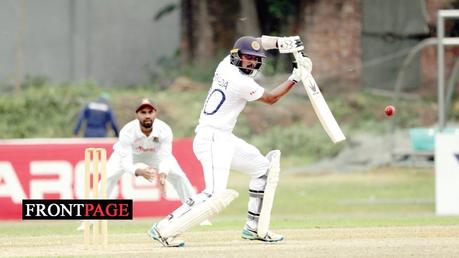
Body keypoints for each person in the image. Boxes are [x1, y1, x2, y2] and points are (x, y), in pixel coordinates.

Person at [147, 35, 308, 247]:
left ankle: (254, 228)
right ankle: (163, 228)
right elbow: (271, 99)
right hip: (212, 139)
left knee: (263, 169)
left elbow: (258, 41)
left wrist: (281, 43)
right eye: (247, 58)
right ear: (237, 56)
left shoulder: (225, 64)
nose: (251, 62)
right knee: (214, 195)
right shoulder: (239, 81)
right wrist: (296, 77)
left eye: (255, 58)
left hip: (222, 138)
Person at [78, 97, 206, 230]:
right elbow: (125, 162)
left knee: (179, 176)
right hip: (129, 155)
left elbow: (165, 156)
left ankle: (196, 215)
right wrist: (138, 171)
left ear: (155, 113)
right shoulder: (127, 131)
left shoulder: (164, 129)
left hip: (155, 155)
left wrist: (162, 175)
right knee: (108, 177)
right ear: (137, 114)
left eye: (150, 112)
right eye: (143, 112)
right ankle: (90, 219)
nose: (147, 116)